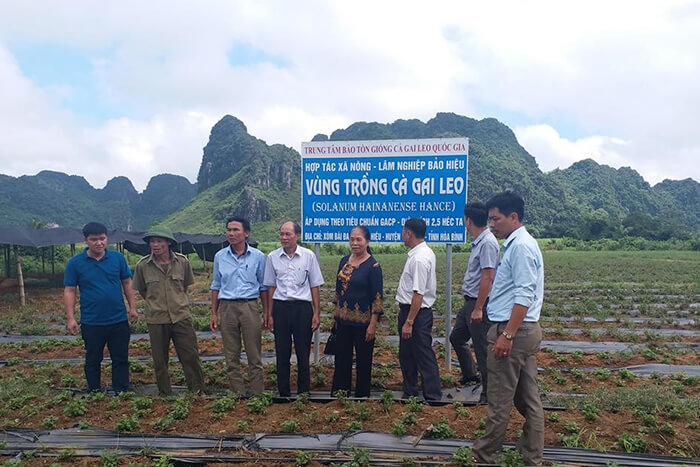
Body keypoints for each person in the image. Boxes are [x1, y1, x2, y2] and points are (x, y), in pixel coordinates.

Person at [473, 191, 545, 466]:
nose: (491, 225)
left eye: (496, 219)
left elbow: (524, 295)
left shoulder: (522, 247)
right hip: (520, 330)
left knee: (499, 399)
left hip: (514, 330)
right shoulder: (516, 244)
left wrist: (507, 335)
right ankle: (532, 456)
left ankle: (485, 454)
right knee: (528, 399)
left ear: (513, 217)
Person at [64, 222, 138, 393]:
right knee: (93, 358)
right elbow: (70, 291)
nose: (99, 243)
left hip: (118, 319)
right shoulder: (75, 263)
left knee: (120, 358)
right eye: (94, 239)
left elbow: (127, 282)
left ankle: (121, 389)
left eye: (102, 238)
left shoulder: (117, 258)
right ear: (86, 241)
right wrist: (71, 318)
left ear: (107, 239)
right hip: (92, 321)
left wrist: (132, 308)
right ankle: (95, 390)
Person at [132, 225, 205, 395]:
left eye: (159, 241)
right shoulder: (142, 266)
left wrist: (176, 302)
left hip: (181, 317)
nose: (155, 245)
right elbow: (143, 291)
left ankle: (197, 390)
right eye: (152, 241)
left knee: (190, 356)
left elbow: (184, 287)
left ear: (168, 243)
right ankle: (165, 393)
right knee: (160, 360)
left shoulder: (182, 262)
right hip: (156, 319)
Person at [263, 221, 324, 397]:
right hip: (280, 308)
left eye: (287, 234)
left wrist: (316, 312)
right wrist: (269, 314)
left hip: (302, 309)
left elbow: (314, 286)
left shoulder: (308, 256)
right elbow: (271, 287)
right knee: (282, 352)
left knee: (303, 352)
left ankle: (304, 392)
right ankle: (284, 392)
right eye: (281, 234)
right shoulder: (272, 257)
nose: (283, 238)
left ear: (297, 236)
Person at [210, 217, 268, 396]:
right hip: (227, 308)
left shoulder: (258, 256)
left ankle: (258, 394)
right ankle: (237, 394)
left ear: (246, 233)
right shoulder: (220, 256)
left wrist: (267, 312)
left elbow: (263, 286)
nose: (231, 233)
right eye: (229, 230)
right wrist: (213, 313)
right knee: (231, 354)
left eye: (236, 230)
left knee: (254, 354)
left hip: (249, 307)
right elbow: (216, 285)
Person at [449, 202, 499, 404]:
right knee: (457, 338)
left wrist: (479, 308)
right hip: (469, 301)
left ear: (468, 220)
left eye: (464, 219)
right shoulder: (479, 241)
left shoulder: (487, 243)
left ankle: (488, 394)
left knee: (482, 349)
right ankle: (471, 375)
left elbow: (488, 277)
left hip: (479, 303)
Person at [331, 225, 384, 398]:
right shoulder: (343, 260)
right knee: (341, 360)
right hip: (343, 321)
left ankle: (361, 396)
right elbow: (338, 290)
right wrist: (335, 316)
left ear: (367, 241)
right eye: (352, 239)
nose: (355, 243)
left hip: (363, 323)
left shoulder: (373, 266)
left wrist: (373, 325)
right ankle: (340, 394)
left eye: (359, 239)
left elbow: (377, 297)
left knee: (363, 361)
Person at [396, 218, 442, 401]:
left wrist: (409, 322)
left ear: (408, 233)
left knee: (422, 353)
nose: (402, 235)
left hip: (415, 313)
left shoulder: (419, 259)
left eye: (403, 232)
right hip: (412, 312)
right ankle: (410, 391)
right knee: (407, 354)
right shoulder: (421, 253)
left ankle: (433, 395)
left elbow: (418, 294)